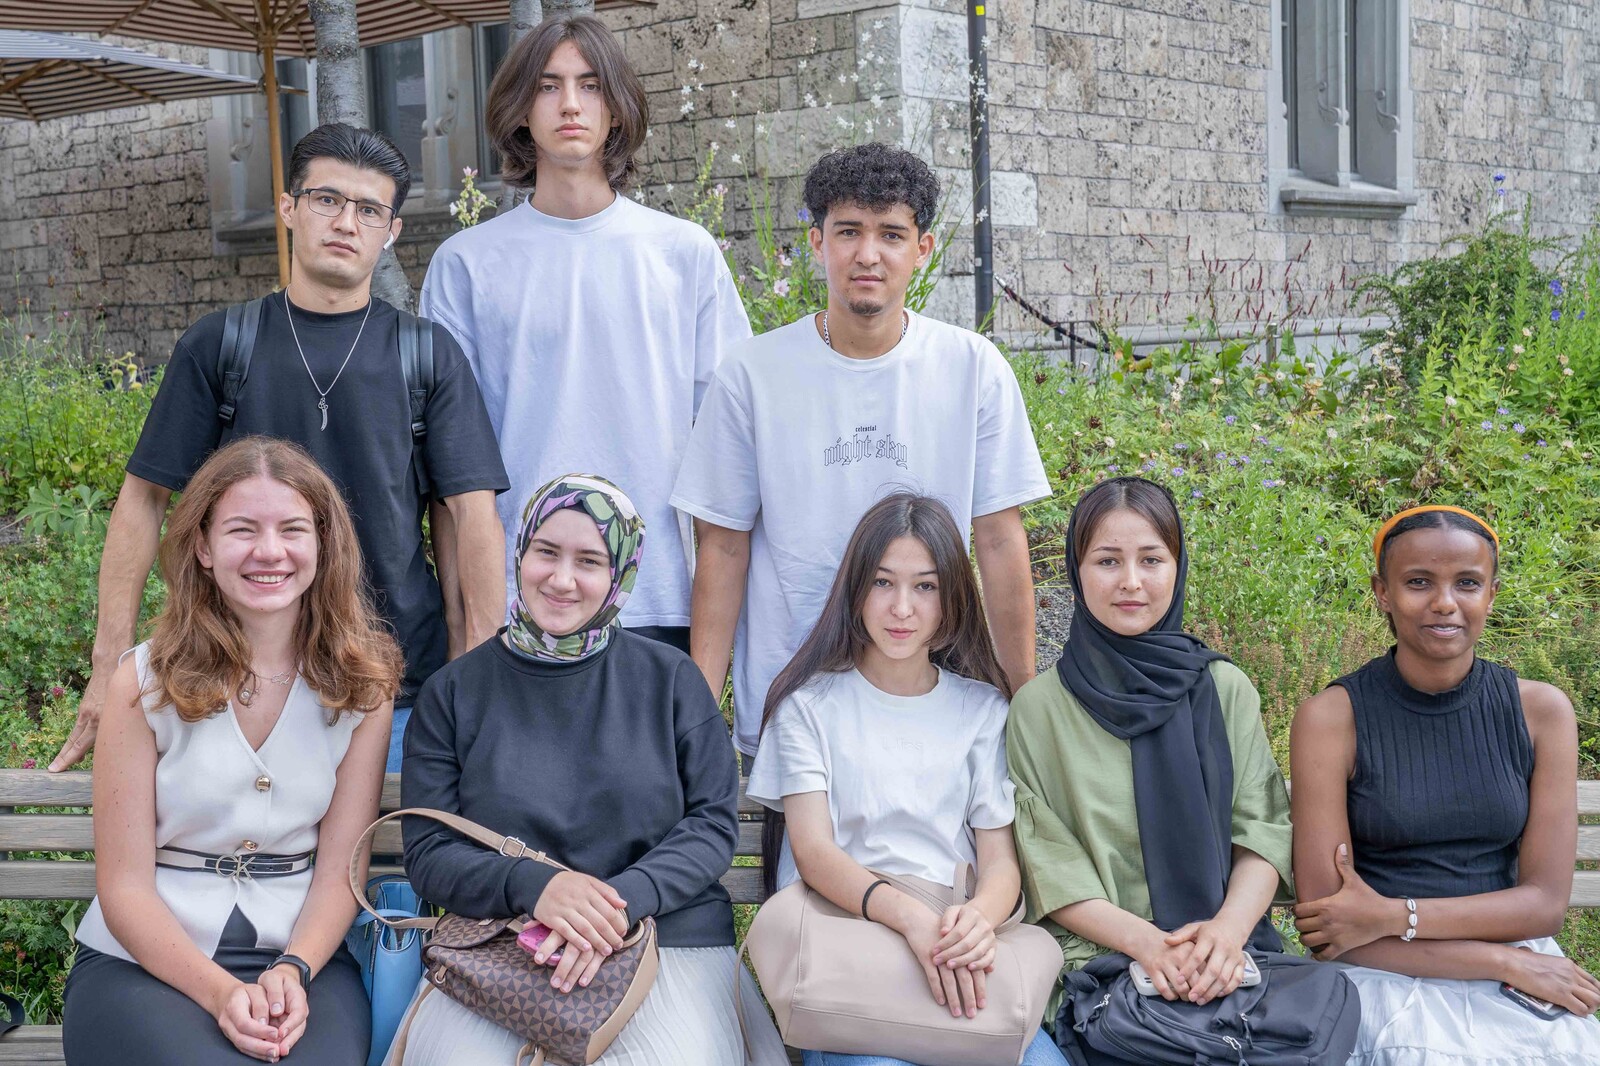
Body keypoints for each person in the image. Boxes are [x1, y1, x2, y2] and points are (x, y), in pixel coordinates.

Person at [53, 122, 509, 776]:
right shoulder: (220, 346)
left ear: (391, 232)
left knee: (394, 879)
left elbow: (473, 519)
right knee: (247, 870)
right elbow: (143, 499)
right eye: (327, 199)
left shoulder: (426, 355)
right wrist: (108, 668)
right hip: (237, 683)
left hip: (399, 687)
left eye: (369, 209)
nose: (346, 222)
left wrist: (479, 677)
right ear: (289, 207)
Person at [390, 474, 787, 1065]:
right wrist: (538, 888)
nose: (562, 578)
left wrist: (615, 907)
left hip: (666, 938)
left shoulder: (671, 681)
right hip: (505, 943)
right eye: (546, 552)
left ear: (620, 574)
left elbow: (711, 827)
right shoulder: (455, 692)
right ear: (520, 552)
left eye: (589, 560)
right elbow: (429, 852)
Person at [672, 143, 1049, 761]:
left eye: (891, 234)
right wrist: (695, 718)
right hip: (791, 711)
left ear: (922, 250)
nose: (867, 254)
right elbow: (722, 547)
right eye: (848, 231)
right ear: (817, 242)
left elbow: (1002, 541)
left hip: (936, 709)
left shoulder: (971, 368)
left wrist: (1024, 702)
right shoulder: (752, 374)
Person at [62, 437, 403, 1065]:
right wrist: (221, 993)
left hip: (302, 960)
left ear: (323, 544)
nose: (268, 551)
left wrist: (295, 968)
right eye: (242, 529)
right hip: (145, 962)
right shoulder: (143, 681)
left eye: (292, 529)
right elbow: (125, 884)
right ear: (202, 546)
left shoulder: (364, 686)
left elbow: (338, 871)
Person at [419, 15, 750, 658]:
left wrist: (712, 661)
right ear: (519, 110)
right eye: (548, 86)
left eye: (591, 85)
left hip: (654, 599)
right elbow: (450, 477)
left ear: (619, 107)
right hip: (516, 604)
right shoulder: (465, 265)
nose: (571, 104)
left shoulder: (684, 254)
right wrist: (468, 633)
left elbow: (727, 455)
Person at [745, 493, 1068, 1066]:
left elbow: (999, 862)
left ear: (950, 598)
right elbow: (814, 852)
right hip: (853, 954)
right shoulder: (809, 708)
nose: (901, 608)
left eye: (925, 586)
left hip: (956, 951)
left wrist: (975, 922)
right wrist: (909, 920)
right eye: (882, 583)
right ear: (856, 590)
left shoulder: (982, 710)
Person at [1290, 505, 1600, 1062]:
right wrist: (1500, 961)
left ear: (1492, 593)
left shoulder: (1542, 713)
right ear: (1382, 592)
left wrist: (1390, 913)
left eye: (1467, 583)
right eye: (1418, 582)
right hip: (1381, 970)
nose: (1444, 603)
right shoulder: (1332, 719)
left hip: (1506, 958)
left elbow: (1543, 904)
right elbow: (1329, 925)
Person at [1006, 477, 1297, 1040]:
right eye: (1108, 561)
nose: (1131, 583)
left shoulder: (1224, 688)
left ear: (1177, 566)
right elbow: (1049, 865)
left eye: (1151, 560)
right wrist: (1149, 945)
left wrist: (1225, 933)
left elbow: (1263, 827)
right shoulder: (1039, 710)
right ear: (1076, 571)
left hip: (1230, 959)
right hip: (1101, 969)